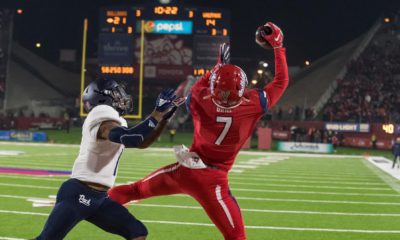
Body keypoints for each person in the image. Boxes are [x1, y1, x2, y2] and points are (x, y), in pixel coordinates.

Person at [108, 21, 289, 240]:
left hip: (186, 169)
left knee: (133, 190)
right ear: (243, 89)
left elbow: (197, 88)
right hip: (213, 180)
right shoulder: (254, 103)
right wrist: (278, 47)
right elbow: (281, 81)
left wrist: (217, 66)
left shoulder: (199, 100)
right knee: (236, 237)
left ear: (213, 86)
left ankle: (100, 212)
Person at [36, 78, 183, 240]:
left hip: (100, 198)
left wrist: (163, 118)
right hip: (79, 193)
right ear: (101, 97)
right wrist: (156, 113)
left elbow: (141, 142)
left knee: (138, 232)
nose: (121, 97)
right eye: (116, 93)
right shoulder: (102, 112)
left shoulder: (115, 119)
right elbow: (132, 138)